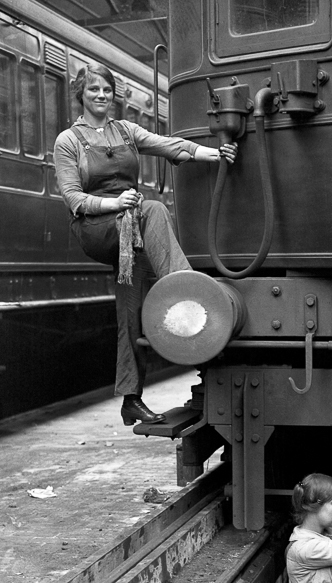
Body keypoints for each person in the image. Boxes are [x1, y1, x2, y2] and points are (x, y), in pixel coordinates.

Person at [53, 63, 238, 426]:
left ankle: (130, 398)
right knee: (152, 207)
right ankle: (190, 294)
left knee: (130, 307)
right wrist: (115, 204)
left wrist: (216, 154)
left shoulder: (125, 131)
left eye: (106, 90)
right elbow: (74, 199)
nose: (101, 96)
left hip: (129, 231)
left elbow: (170, 146)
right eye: (93, 90)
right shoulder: (69, 141)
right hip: (96, 226)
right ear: (82, 96)